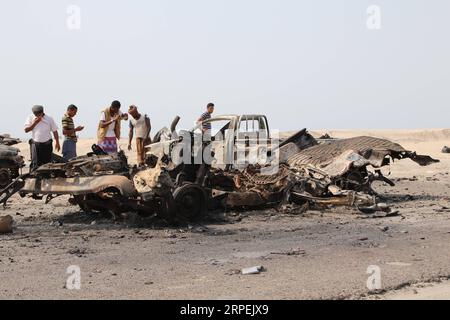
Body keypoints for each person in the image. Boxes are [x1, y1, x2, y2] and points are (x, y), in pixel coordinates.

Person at [24, 105, 60, 171]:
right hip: (36, 144)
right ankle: (34, 178)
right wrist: (35, 123)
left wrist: (57, 143)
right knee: (35, 163)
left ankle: (46, 178)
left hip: (47, 144)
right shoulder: (30, 117)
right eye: (35, 114)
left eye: (38, 114)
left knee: (47, 163)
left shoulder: (49, 118)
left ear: (42, 112)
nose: (37, 115)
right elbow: (26, 130)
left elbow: (55, 131)